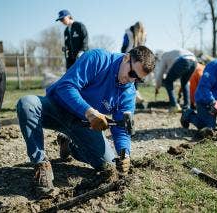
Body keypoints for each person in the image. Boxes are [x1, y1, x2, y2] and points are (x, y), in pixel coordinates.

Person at [16, 46, 155, 196]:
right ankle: (41, 165)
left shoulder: (128, 91)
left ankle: (70, 145)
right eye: (132, 73)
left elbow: (122, 126)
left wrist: (125, 153)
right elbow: (66, 86)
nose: (132, 79)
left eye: (138, 79)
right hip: (57, 108)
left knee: (108, 165)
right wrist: (89, 112)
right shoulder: (98, 58)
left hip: (83, 124)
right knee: (27, 104)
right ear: (126, 58)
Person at [121, 21, 147, 107]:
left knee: (134, 79)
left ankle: (135, 99)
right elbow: (124, 46)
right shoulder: (129, 33)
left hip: (137, 59)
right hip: (129, 58)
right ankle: (133, 99)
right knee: (129, 79)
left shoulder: (143, 34)